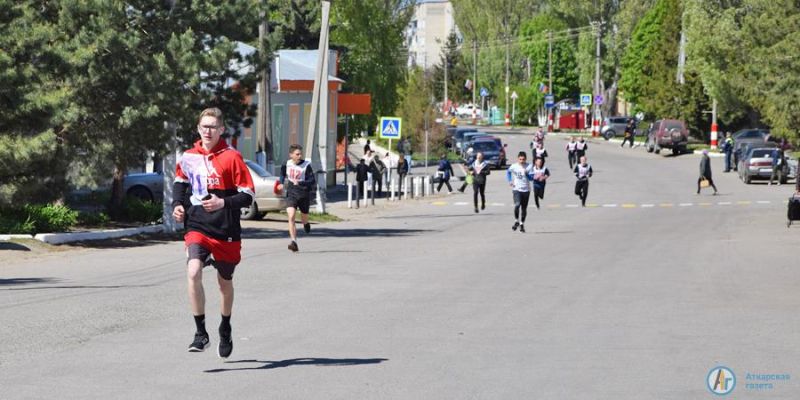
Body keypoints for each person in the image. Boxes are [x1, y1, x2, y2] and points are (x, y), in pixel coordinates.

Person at [172, 107, 255, 359]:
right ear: (198, 128)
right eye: (203, 126)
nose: (207, 131)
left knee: (224, 283)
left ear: (221, 130)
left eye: (212, 127)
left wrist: (223, 202)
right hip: (197, 225)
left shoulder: (232, 157)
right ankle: (200, 333)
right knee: (193, 270)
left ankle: (225, 327)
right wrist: (177, 205)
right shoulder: (188, 156)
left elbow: (248, 195)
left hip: (225, 229)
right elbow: (180, 182)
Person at [277, 144, 316, 253]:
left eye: (300, 154)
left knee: (304, 217)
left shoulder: (306, 165)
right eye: (297, 154)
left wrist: (300, 182)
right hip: (291, 193)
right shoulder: (287, 164)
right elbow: (282, 174)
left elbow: (312, 181)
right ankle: (293, 241)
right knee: (291, 216)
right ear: (291, 155)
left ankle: (306, 223)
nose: (299, 156)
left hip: (303, 194)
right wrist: (280, 183)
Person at [506, 151, 534, 233]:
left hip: (526, 190)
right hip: (516, 189)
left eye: (523, 159)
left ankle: (522, 224)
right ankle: (516, 221)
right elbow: (508, 172)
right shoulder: (514, 166)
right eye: (520, 159)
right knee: (517, 205)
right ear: (518, 159)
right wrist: (510, 180)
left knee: (524, 208)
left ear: (526, 159)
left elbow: (531, 179)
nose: (522, 161)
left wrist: (527, 174)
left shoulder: (529, 166)